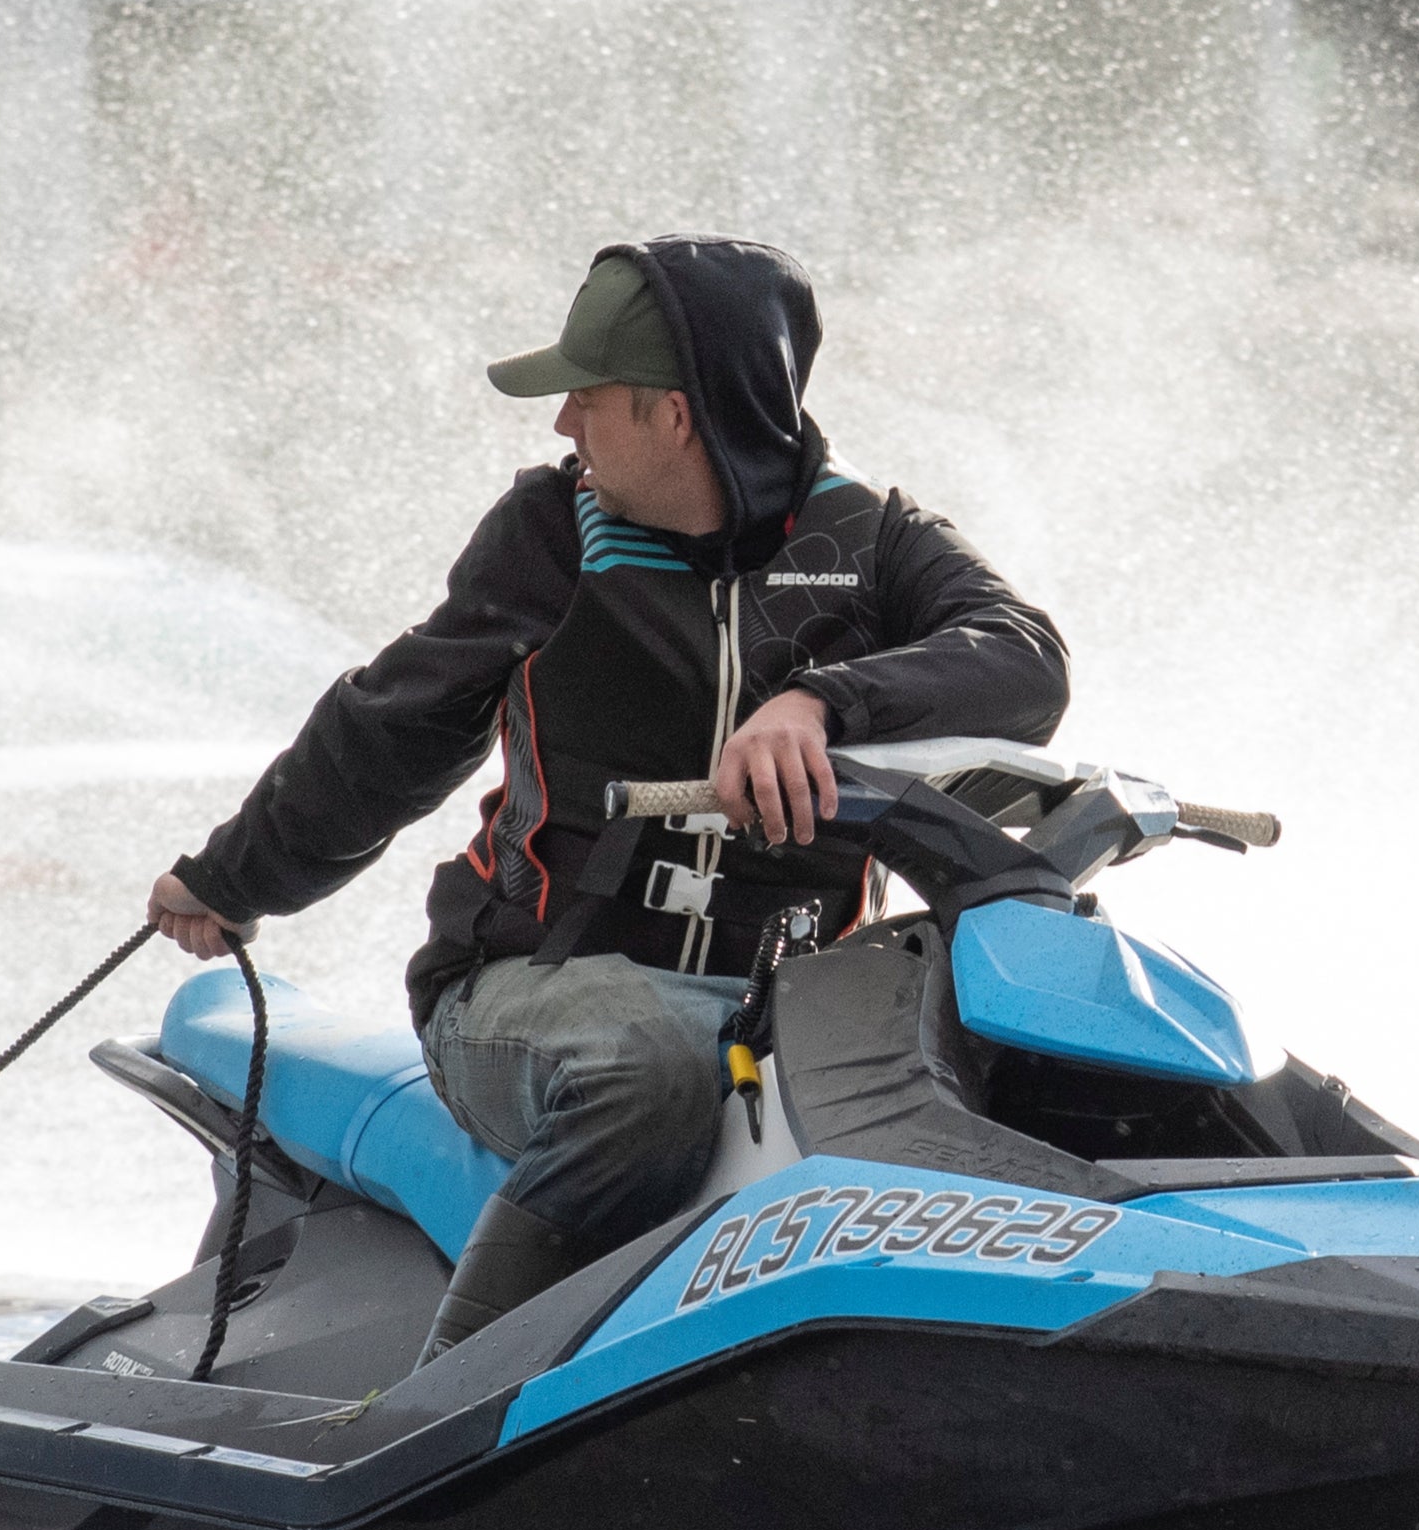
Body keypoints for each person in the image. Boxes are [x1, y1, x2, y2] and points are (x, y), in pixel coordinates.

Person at [146, 236, 1068, 1363]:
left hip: (791, 1011)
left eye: (584, 394)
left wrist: (819, 704)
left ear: (670, 415)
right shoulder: (547, 539)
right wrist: (232, 879)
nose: (561, 423)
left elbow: (1022, 658)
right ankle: (460, 1397)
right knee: (656, 1063)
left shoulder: (876, 541)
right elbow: (387, 730)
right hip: (522, 993)